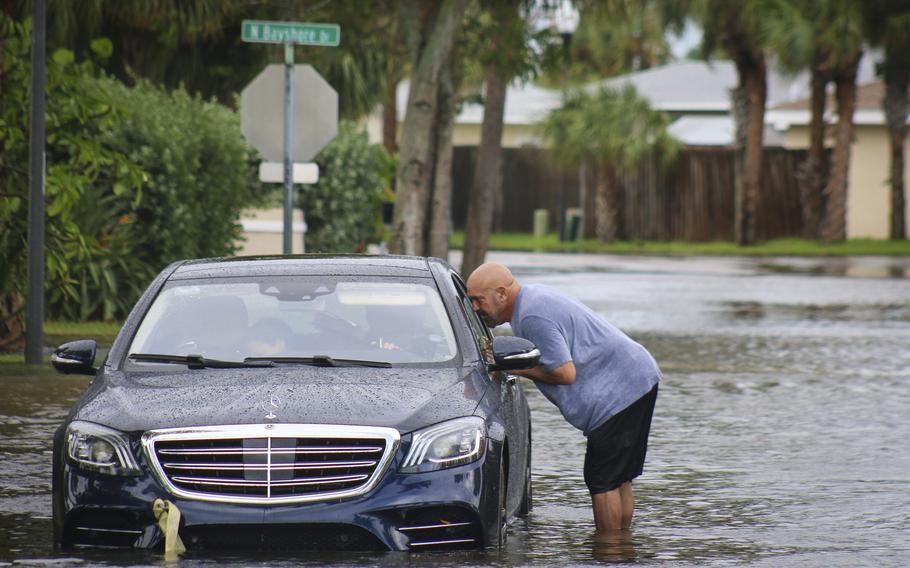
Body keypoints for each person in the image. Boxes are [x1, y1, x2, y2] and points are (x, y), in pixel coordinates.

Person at [466, 262, 660, 534]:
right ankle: (622, 549)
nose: (475, 307)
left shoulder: (532, 315)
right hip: (637, 378)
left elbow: (564, 373)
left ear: (501, 293)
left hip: (621, 389)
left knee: (602, 479)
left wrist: (513, 367)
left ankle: (608, 555)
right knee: (619, 478)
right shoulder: (533, 299)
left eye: (478, 299)